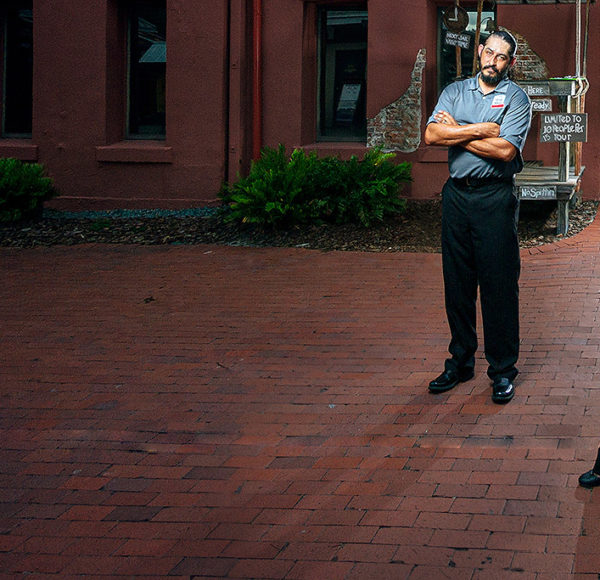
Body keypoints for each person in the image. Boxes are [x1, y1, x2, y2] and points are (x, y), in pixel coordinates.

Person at [424, 30, 532, 404]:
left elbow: (504, 151)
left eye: (502, 57)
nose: (493, 61)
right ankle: (461, 361)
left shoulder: (517, 98)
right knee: (457, 283)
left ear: (510, 63)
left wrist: (456, 131)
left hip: (494, 199)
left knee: (499, 286)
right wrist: (481, 129)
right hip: (456, 197)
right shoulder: (455, 91)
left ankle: (502, 371)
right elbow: (431, 135)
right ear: (481, 52)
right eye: (490, 53)